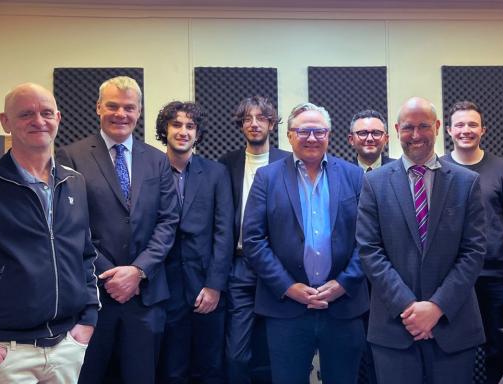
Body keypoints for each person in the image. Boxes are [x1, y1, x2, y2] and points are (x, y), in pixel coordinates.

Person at [0, 83, 99, 383]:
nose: (39, 121)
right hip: (6, 351)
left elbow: (86, 257)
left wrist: (88, 322)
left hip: (67, 347)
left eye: (46, 113)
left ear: (58, 117)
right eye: (26, 114)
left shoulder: (76, 182)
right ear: (5, 121)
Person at [56, 76, 179, 384]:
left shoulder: (157, 160)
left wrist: (137, 271)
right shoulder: (71, 156)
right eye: (112, 106)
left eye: (129, 107)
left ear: (139, 112)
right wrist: (111, 275)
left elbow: (168, 222)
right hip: (92, 297)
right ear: (98, 107)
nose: (120, 114)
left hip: (145, 298)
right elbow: (68, 224)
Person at [356, 97, 487, 384]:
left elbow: (473, 252)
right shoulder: (374, 183)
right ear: (397, 129)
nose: (416, 135)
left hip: (452, 326)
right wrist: (409, 308)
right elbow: (370, 251)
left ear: (438, 127)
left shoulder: (466, 183)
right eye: (408, 127)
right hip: (394, 328)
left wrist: (437, 307)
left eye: (424, 126)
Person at [243, 102, 369, 384]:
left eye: (318, 131)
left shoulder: (353, 176)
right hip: (286, 308)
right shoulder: (267, 177)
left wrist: (343, 284)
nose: (311, 138)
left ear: (329, 134)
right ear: (289, 135)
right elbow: (253, 240)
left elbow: (369, 240)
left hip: (343, 306)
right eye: (303, 131)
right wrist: (288, 287)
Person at [441, 100, 503, 383]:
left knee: (496, 349)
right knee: (449, 347)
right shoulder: (436, 169)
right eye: (459, 125)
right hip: (449, 277)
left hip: (493, 276)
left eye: (472, 124)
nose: (466, 130)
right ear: (449, 130)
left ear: (483, 129)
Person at [154, 101, 233, 384]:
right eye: (177, 124)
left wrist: (214, 285)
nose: (183, 131)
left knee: (210, 367)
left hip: (205, 286)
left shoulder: (215, 173)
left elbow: (224, 233)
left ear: (198, 133)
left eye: (190, 126)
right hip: (163, 288)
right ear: (165, 129)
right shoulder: (150, 170)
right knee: (171, 370)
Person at [218, 96, 288, 384]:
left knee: (278, 352)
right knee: (237, 355)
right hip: (240, 267)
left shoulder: (287, 161)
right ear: (241, 124)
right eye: (248, 118)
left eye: (261, 118)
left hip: (278, 267)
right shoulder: (226, 163)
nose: (254, 123)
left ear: (272, 123)